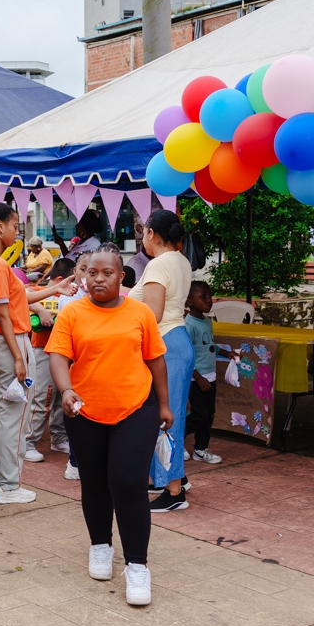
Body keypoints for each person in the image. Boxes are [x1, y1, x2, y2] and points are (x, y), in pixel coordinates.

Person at [48, 245, 174, 606]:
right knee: (95, 482)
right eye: (92, 273)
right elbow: (58, 356)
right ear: (84, 277)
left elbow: (156, 361)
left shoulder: (140, 313)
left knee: (128, 482)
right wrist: (66, 390)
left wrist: (164, 404)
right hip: (84, 411)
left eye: (107, 273)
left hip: (136, 408)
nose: (98, 278)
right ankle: (100, 545)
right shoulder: (72, 314)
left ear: (122, 276)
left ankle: (137, 566)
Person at [0, 199, 67, 505]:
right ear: (0, 227)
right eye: (15, 225)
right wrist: (17, 357)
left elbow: (17, 298)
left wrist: (55, 289)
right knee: (15, 418)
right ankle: (8, 485)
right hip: (8, 341)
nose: (17, 232)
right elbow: (4, 314)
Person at [130, 209, 193, 511]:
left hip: (165, 343)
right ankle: (171, 477)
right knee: (170, 413)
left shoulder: (158, 264)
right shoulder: (180, 260)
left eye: (143, 232)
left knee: (167, 416)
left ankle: (174, 491)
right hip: (177, 339)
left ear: (152, 234)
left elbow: (151, 313)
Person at [27, 257, 77, 461]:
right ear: (59, 279)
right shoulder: (40, 292)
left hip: (63, 353)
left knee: (59, 400)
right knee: (43, 398)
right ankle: (28, 441)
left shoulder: (71, 296)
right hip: (43, 352)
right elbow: (25, 292)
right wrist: (40, 309)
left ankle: (58, 438)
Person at [184, 281, 221, 465]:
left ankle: (200, 449)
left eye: (210, 297)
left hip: (210, 376)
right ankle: (174, 438)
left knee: (209, 414)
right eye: (203, 297)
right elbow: (186, 355)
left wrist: (226, 353)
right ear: (189, 301)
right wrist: (198, 378)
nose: (209, 301)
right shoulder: (189, 325)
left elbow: (209, 345)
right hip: (196, 379)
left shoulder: (207, 321)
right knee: (199, 414)